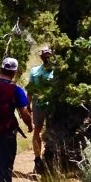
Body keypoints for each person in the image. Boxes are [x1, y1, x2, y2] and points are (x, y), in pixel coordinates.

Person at [27, 46, 55, 174]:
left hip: (52, 105)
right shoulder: (34, 71)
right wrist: (27, 105)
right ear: (41, 57)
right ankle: (37, 159)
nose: (46, 57)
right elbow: (30, 90)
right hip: (38, 104)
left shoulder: (56, 71)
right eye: (45, 55)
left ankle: (50, 156)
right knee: (37, 130)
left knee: (51, 130)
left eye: (48, 54)